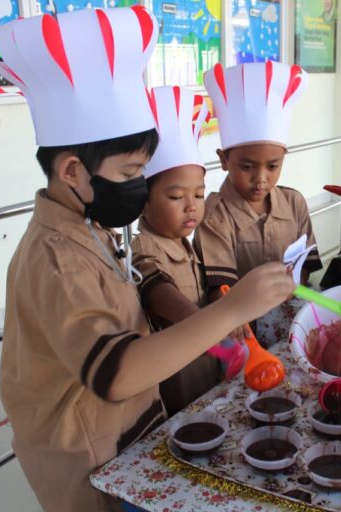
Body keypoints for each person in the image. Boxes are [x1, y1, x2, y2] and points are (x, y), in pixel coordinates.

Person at [0, 9, 293, 511]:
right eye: (131, 173)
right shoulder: (57, 259)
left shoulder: (92, 229)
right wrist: (229, 312)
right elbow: (117, 372)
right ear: (74, 171)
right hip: (87, 459)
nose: (139, 188)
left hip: (127, 437)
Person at [131, 86, 245, 416]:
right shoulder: (144, 250)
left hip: (206, 366)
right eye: (176, 197)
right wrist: (215, 326)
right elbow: (160, 294)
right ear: (144, 201)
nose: (191, 207)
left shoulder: (186, 243)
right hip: (176, 377)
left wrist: (225, 305)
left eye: (198, 195)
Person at [195, 61, 322, 342]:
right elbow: (221, 291)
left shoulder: (294, 203)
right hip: (243, 334)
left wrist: (293, 287)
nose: (261, 179)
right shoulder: (215, 216)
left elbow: (306, 272)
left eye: (273, 166)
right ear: (224, 160)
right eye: (248, 167)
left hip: (294, 326)